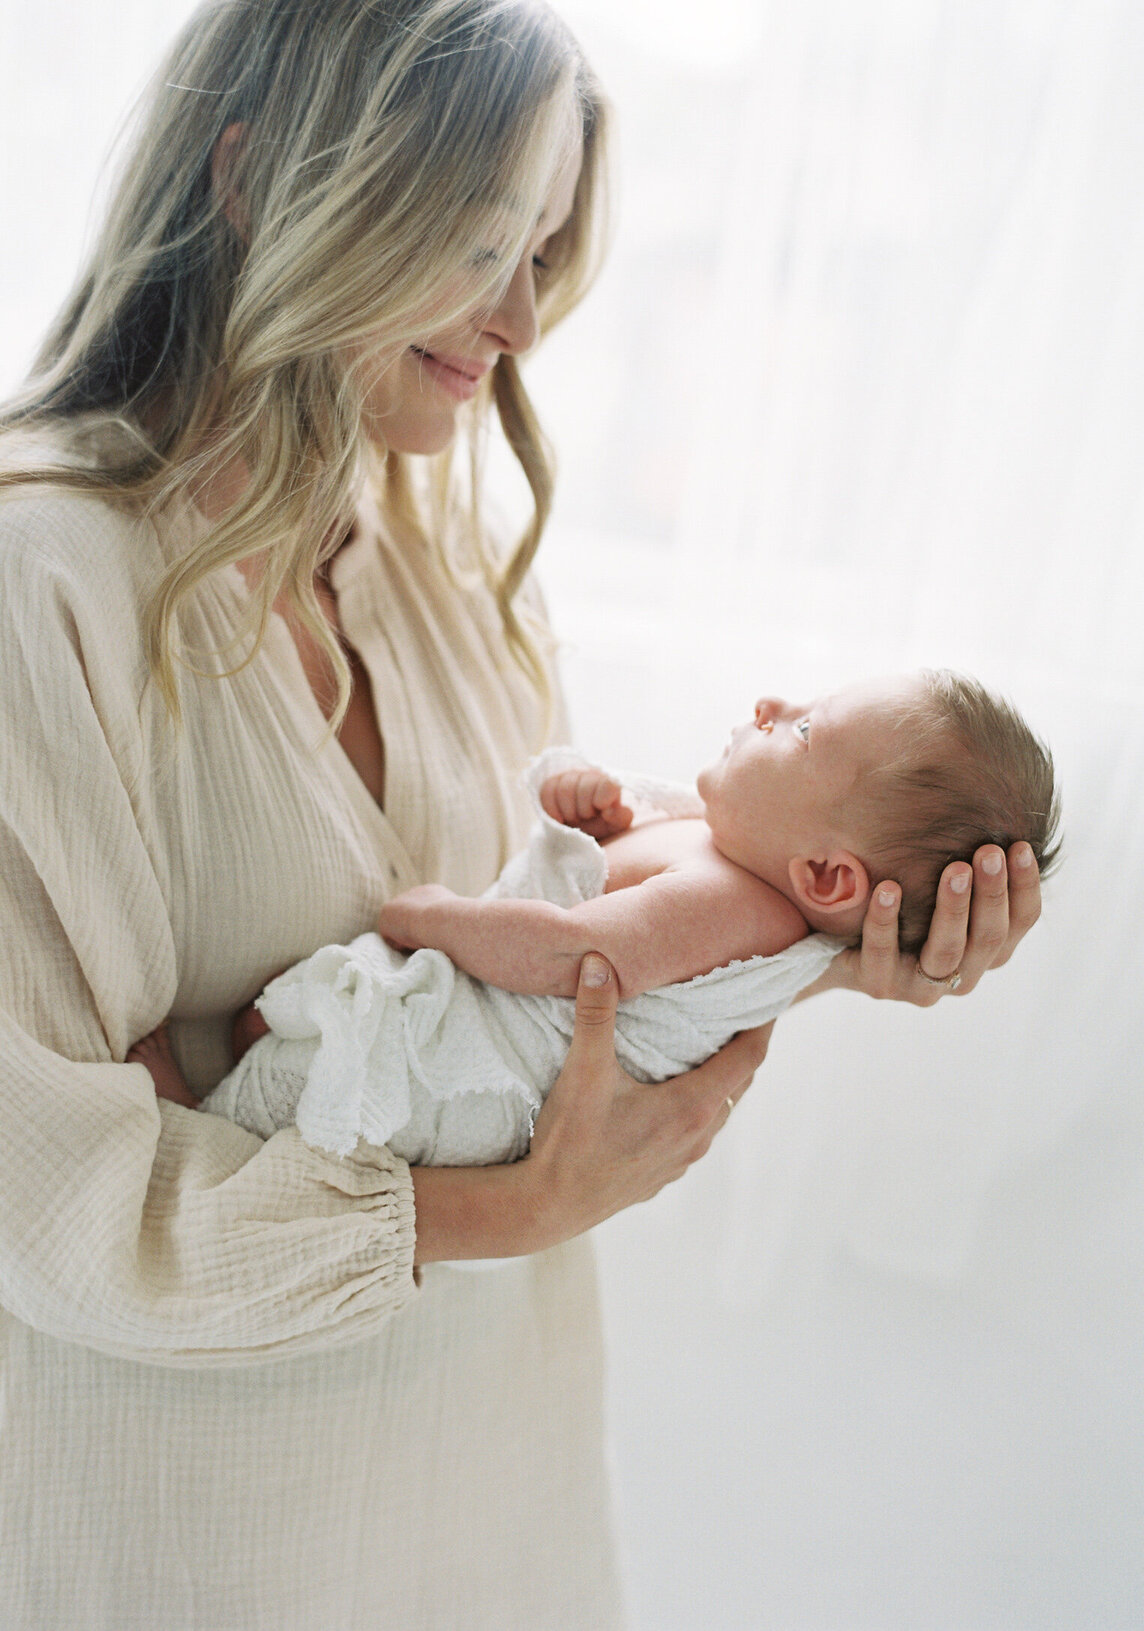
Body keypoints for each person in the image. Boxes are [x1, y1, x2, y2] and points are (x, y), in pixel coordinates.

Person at [0, 3, 1043, 1627]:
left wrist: (834, 950)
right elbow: (51, 1195)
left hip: (486, 1485)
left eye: (544, 255)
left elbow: (530, 1010)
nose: (520, 322)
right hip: (188, 1524)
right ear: (251, 182)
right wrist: (511, 1208)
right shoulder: (42, 592)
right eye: (479, 246)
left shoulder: (452, 572)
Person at [131, 668, 1060, 1168]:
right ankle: (243, 1078)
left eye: (804, 731)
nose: (773, 703)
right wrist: (597, 827)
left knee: (311, 1089)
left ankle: (194, 1124)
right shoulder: (732, 860)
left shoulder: (731, 902)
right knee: (300, 1031)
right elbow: (606, 889)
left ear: (823, 872)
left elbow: (573, 956)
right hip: (484, 1018)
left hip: (475, 1070)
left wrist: (439, 917)